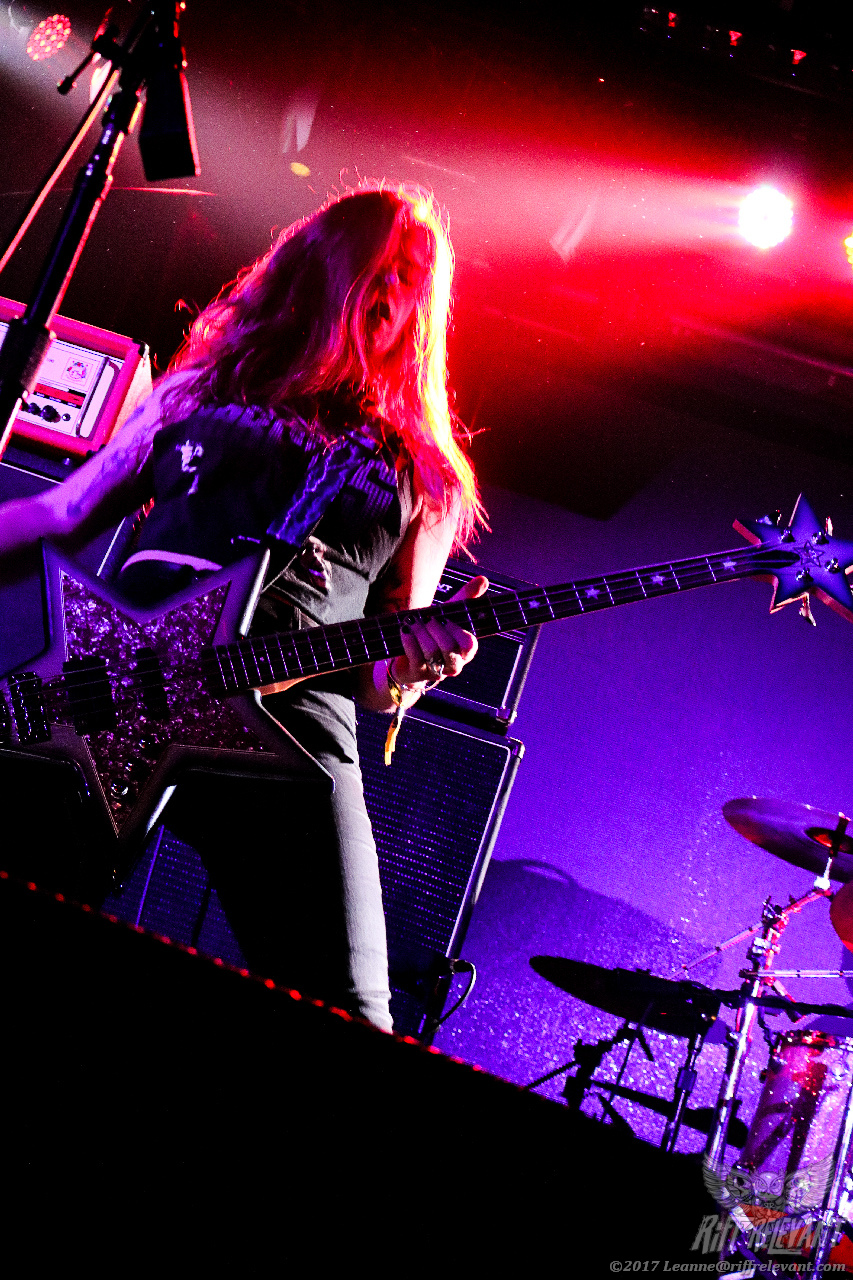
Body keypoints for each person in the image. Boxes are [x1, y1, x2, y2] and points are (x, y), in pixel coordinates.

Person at [0, 185, 486, 1032]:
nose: (392, 290)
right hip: (116, 691)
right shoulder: (202, 388)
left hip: (289, 728)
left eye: (413, 277)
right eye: (378, 265)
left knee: (348, 1013)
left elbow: (381, 678)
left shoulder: (425, 471)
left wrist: (417, 669)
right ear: (322, 268)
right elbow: (65, 511)